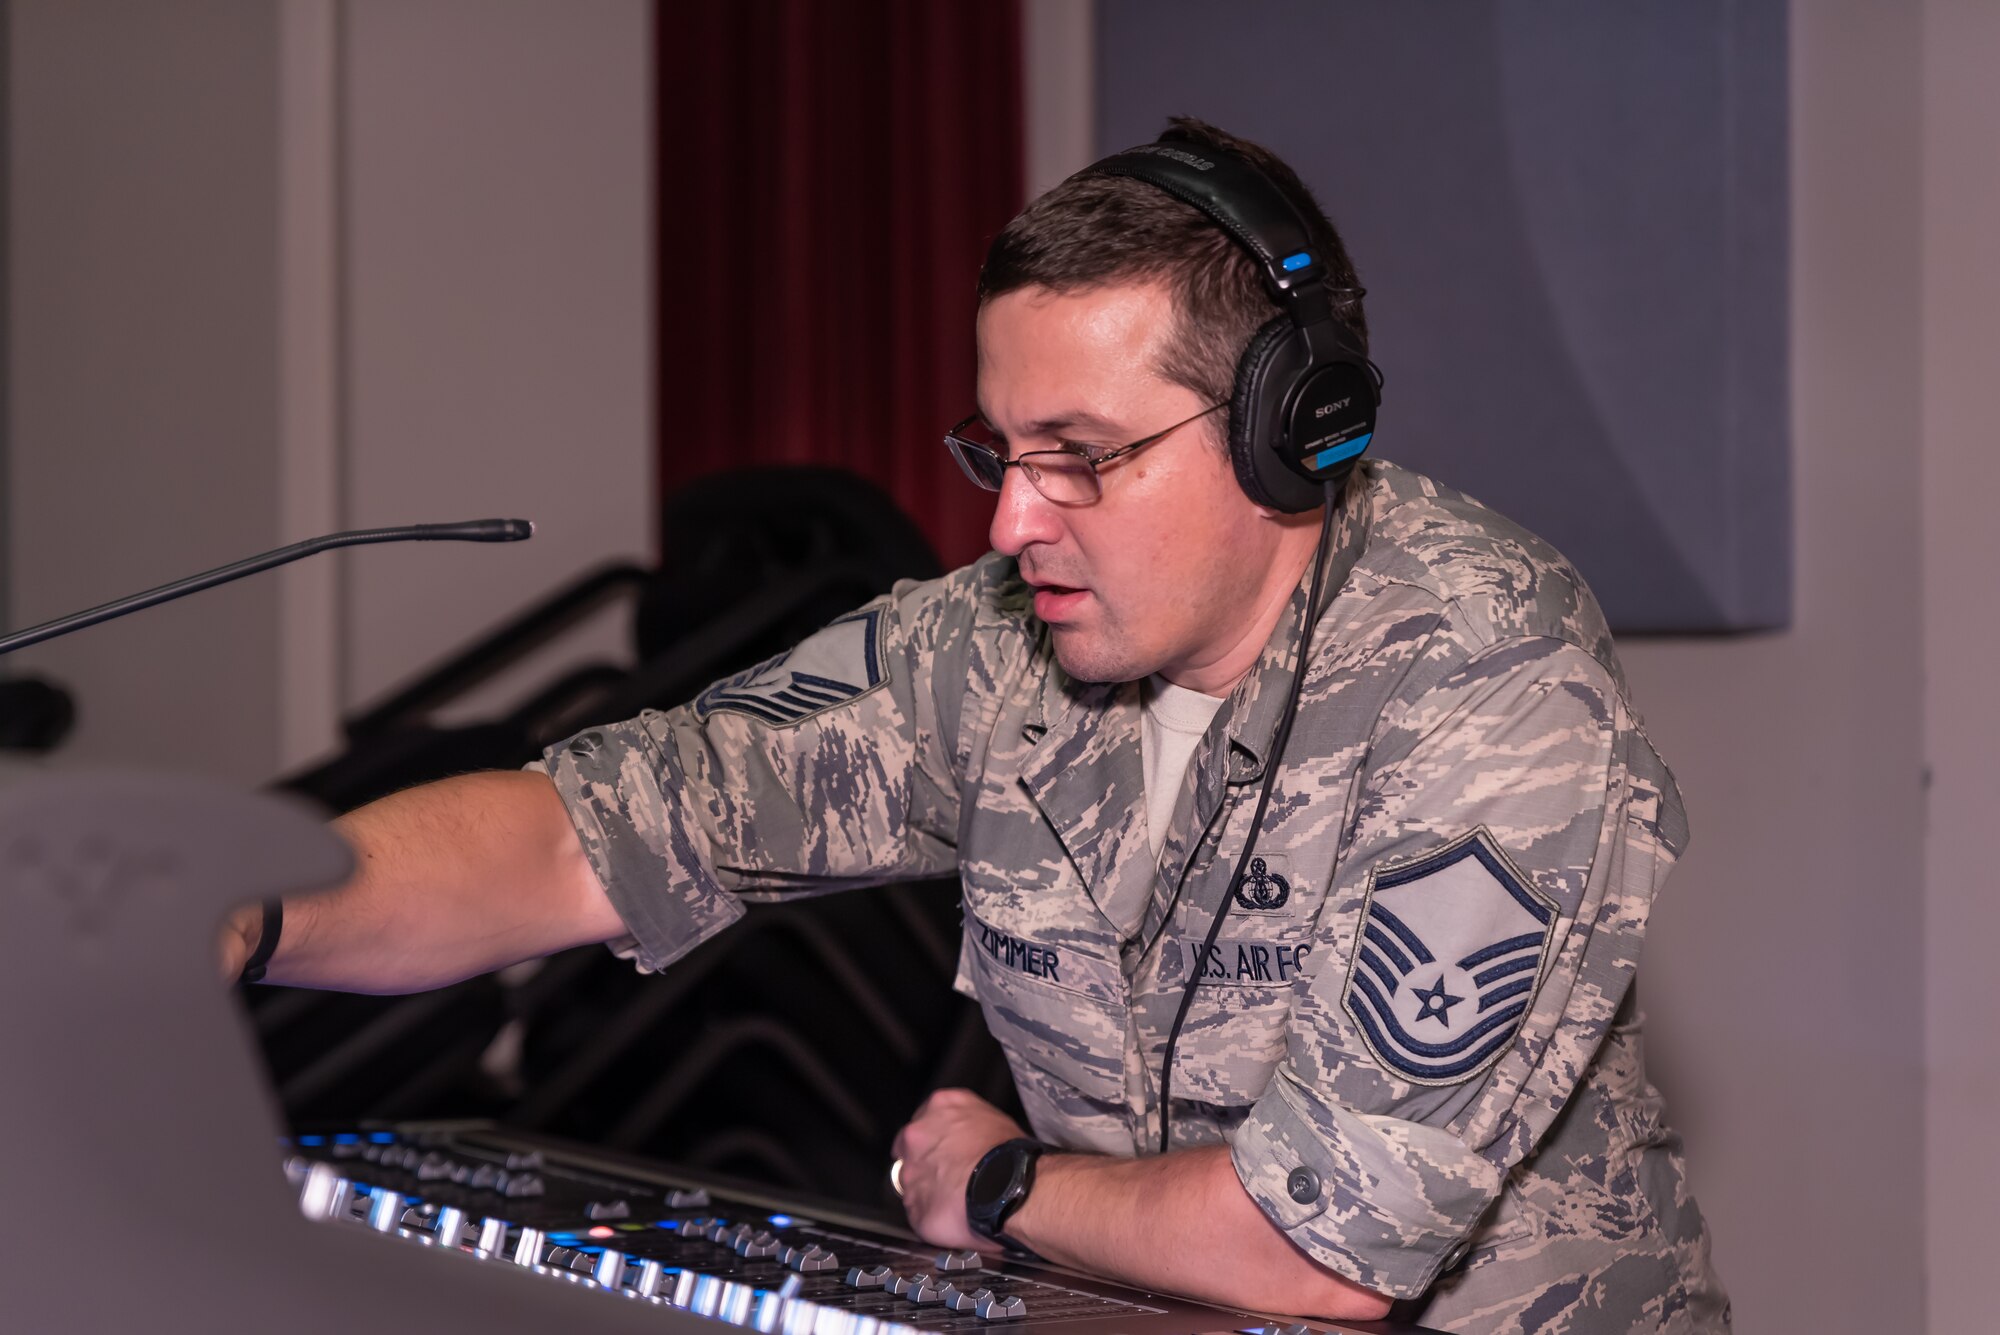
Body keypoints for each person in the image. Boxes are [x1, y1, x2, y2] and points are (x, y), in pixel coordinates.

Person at [225, 120, 1728, 1331]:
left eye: (1080, 457)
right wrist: (235, 913)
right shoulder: (991, 650)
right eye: (997, 451)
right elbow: (587, 835)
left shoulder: (1489, 679)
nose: (1013, 519)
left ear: (1291, 429)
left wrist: (1002, 1182)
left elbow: (1317, 1254)